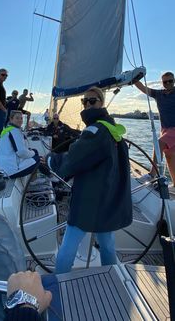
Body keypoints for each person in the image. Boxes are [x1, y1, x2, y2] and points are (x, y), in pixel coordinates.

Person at [45, 86, 132, 274]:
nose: (87, 105)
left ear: (102, 102)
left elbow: (72, 160)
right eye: (84, 101)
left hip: (89, 201)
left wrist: (51, 160)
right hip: (108, 199)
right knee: (107, 243)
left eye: (92, 101)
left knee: (69, 244)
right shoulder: (112, 129)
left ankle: (59, 283)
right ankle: (111, 277)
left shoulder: (95, 130)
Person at [135, 72, 175, 186]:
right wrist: (134, 78)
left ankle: (152, 174)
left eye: (170, 81)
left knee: (159, 144)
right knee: (169, 155)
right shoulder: (159, 94)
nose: (167, 83)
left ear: (174, 81)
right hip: (165, 129)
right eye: (165, 82)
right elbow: (143, 88)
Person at [0, 110, 39, 178]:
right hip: (10, 171)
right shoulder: (14, 131)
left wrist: (31, 151)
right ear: (11, 119)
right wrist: (33, 153)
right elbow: (21, 152)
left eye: (21, 118)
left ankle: (41, 176)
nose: (20, 120)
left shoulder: (7, 129)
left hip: (2, 167)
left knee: (33, 152)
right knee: (37, 158)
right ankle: (34, 180)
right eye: (17, 118)